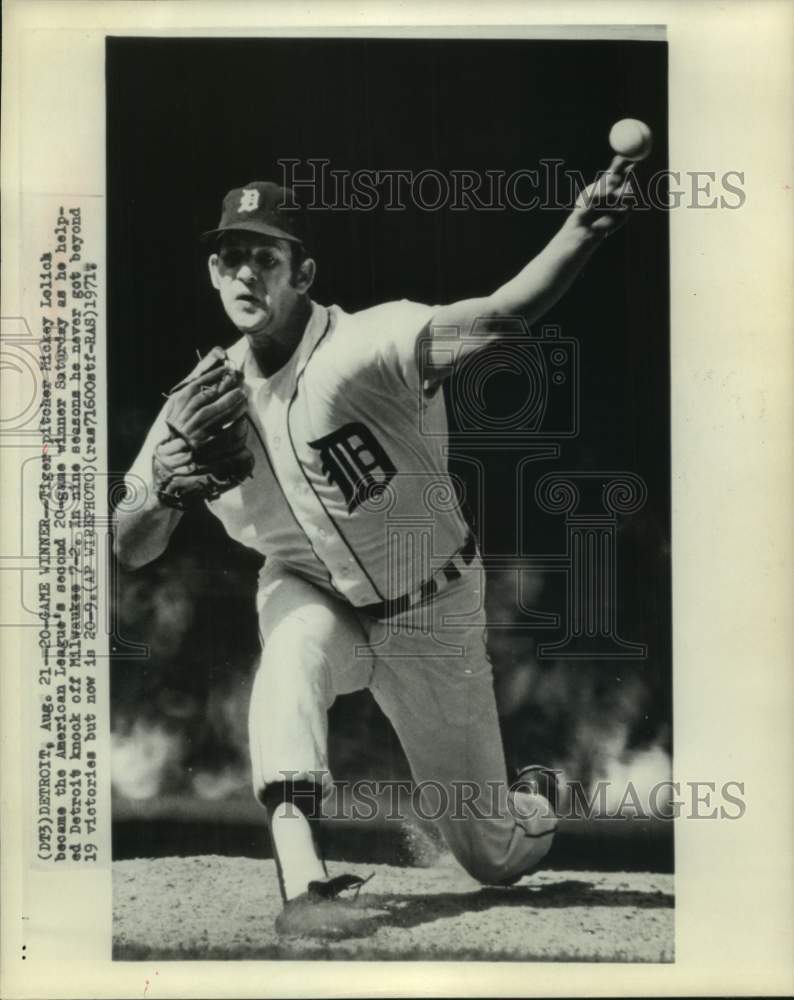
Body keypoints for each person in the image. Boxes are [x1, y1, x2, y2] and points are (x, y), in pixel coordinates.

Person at [115, 170, 632, 935]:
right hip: (313, 590)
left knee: (493, 855)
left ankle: (530, 800)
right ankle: (306, 886)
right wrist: (160, 490)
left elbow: (500, 315)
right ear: (214, 271)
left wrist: (581, 230)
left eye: (265, 256)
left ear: (303, 273)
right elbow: (129, 546)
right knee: (290, 651)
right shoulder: (199, 400)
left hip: (432, 607)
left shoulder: (369, 345)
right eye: (232, 258)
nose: (246, 273)